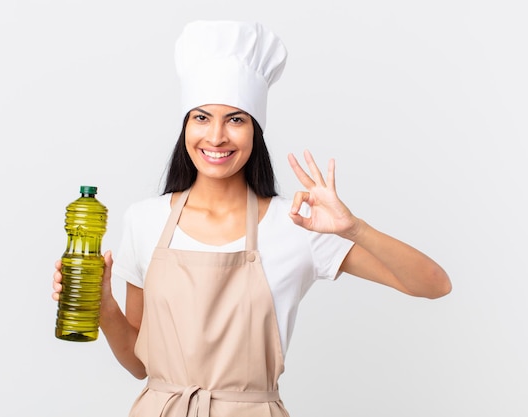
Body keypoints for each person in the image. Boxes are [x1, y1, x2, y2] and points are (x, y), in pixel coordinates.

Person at [52, 20, 451, 416]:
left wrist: (354, 229)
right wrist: (102, 306)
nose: (216, 137)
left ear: (255, 131)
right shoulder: (144, 220)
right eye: (202, 118)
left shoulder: (296, 224)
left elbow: (433, 284)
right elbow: (140, 365)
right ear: (186, 126)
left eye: (236, 120)